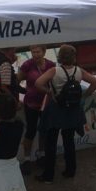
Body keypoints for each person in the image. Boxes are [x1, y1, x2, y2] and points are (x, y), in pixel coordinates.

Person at [35, 45, 96, 183]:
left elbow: (38, 83)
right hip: (72, 109)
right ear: (74, 57)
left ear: (60, 56)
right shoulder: (79, 71)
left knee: (50, 142)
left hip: (56, 108)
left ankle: (48, 175)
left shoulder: (54, 71)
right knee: (69, 140)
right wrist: (84, 96)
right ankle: (70, 170)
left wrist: (50, 92)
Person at [16, 45, 55, 176]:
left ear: (44, 52)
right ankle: (26, 159)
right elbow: (16, 81)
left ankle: (41, 155)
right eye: (33, 52)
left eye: (38, 52)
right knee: (31, 131)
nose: (35, 54)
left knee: (44, 129)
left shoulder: (51, 65)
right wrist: (25, 92)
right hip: (31, 104)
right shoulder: (27, 65)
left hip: (46, 103)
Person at [0, 48, 21, 120]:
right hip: (3, 104)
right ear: (11, 50)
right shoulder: (5, 63)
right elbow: (4, 87)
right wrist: (15, 101)